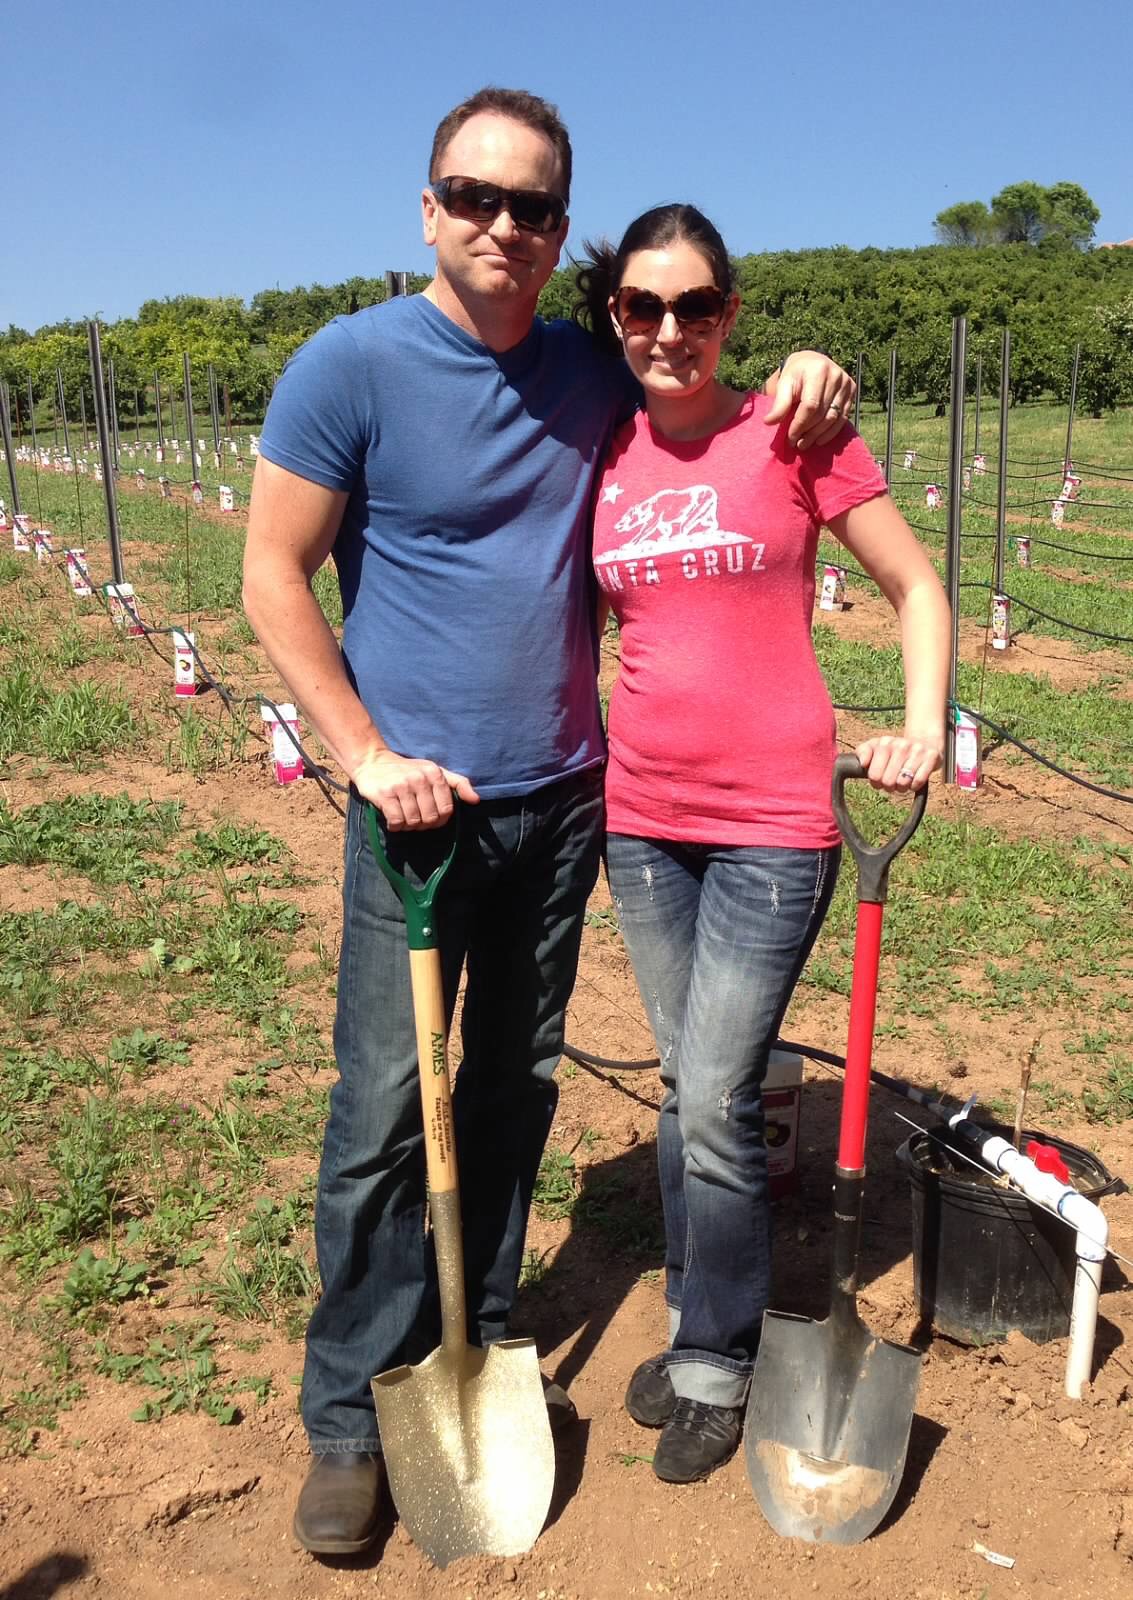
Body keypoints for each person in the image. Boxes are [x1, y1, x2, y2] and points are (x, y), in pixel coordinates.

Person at [242, 88, 857, 1557]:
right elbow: (273, 575)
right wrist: (369, 753)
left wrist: (810, 371)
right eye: (473, 197)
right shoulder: (349, 368)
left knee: (513, 1088)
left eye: (529, 207)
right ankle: (347, 1413)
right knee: (388, 1106)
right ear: (427, 210)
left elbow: (705, 388)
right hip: (418, 816)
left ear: (559, 231)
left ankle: (485, 1331)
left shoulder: (596, 367)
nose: (500, 227)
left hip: (571, 799)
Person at [577, 205, 950, 1484]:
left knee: (720, 1099)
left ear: (730, 313)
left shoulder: (794, 427)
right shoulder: (598, 448)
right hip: (642, 820)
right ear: (614, 318)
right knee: (688, 1091)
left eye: (693, 305)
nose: (667, 329)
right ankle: (701, 1316)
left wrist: (916, 727)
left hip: (774, 824)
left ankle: (715, 1359)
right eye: (641, 306)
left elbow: (916, 585)